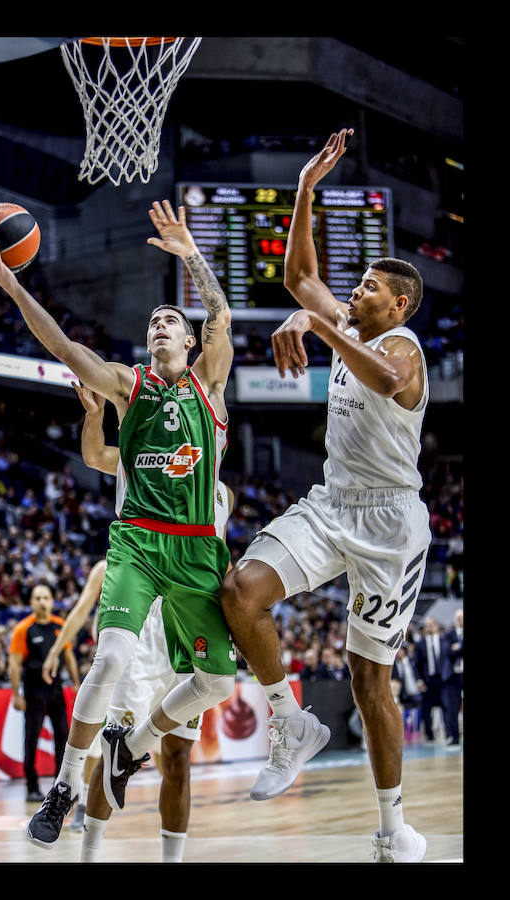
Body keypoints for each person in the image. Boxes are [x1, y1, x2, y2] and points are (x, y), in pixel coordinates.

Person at [0, 199, 237, 849]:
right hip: (139, 545)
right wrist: (13, 286)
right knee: (112, 654)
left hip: (198, 553)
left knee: (220, 683)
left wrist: (190, 255)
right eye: (152, 321)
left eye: (171, 319)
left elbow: (222, 316)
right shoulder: (129, 386)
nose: (160, 325)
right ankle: (64, 787)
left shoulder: (210, 385)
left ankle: (130, 749)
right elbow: (63, 346)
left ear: (191, 341)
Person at [219, 129, 432, 863]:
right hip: (332, 502)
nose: (356, 291)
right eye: (359, 285)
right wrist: (306, 186)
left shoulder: (406, 349)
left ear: (399, 303)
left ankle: (392, 826)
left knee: (371, 680)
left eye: (371, 287)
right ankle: (291, 723)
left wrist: (316, 322)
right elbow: (298, 276)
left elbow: (383, 380)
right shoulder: (345, 321)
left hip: (391, 522)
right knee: (241, 591)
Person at [41, 382, 234, 862]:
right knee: (114, 755)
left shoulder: (222, 493)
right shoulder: (147, 458)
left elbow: (221, 565)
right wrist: (95, 415)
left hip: (190, 630)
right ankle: (89, 852)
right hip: (145, 625)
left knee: (179, 761)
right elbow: (94, 456)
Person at [8, 583, 80, 803]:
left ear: (51, 601)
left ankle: (62, 787)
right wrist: (16, 695)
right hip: (34, 693)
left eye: (46, 597)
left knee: (63, 739)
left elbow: (68, 657)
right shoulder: (23, 628)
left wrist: (76, 683)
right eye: (37, 598)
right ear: (31, 602)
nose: (42, 602)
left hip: (56, 692)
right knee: (31, 739)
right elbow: (14, 665)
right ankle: (32, 787)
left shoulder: (60, 625)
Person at [414, 616, 446, 744]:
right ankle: (429, 735)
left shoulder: (444, 641)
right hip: (427, 680)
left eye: (431, 624)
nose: (429, 627)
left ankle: (447, 732)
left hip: (442, 679)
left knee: (446, 706)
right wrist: (419, 680)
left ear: (436, 626)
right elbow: (416, 664)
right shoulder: (420, 644)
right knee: (426, 709)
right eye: (426, 625)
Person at [441, 608, 463, 746]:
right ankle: (454, 737)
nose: (460, 620)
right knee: (452, 707)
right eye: (458, 618)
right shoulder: (449, 634)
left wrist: (458, 647)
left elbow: (456, 650)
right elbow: (448, 651)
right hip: (453, 676)